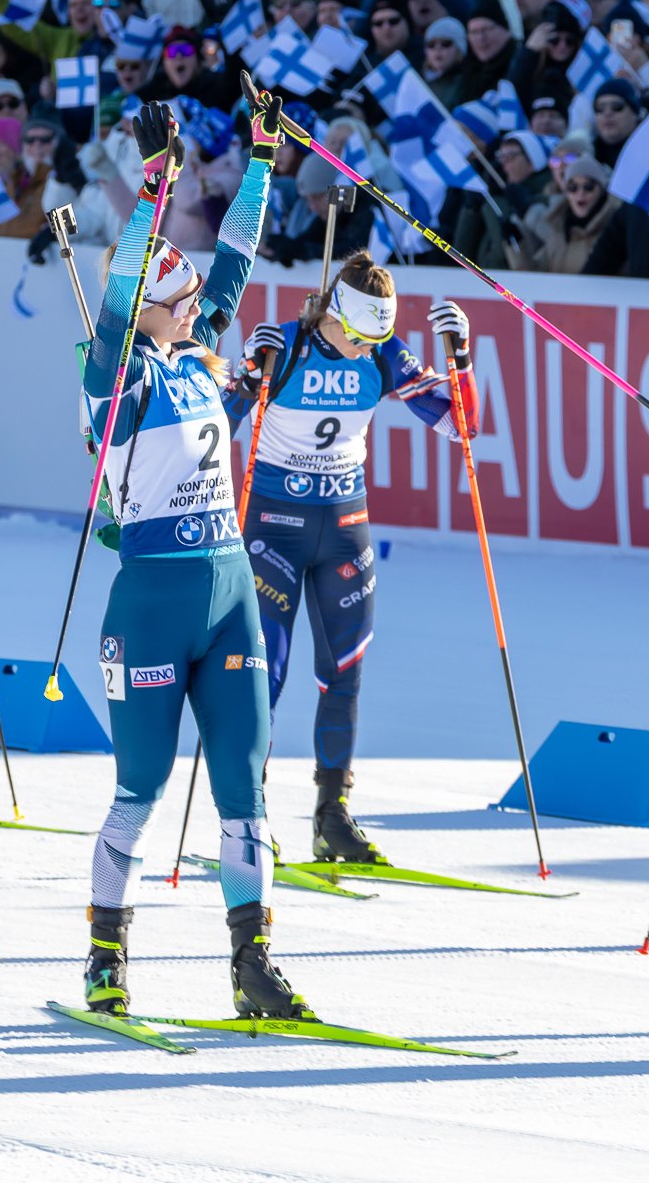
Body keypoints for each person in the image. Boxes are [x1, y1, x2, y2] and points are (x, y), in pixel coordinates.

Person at [81, 99, 310, 1023]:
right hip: (151, 600)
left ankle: (253, 962)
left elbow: (236, 260)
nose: (197, 309)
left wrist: (260, 161)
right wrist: (152, 188)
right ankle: (105, 957)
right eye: (179, 303)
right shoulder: (117, 371)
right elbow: (121, 292)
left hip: (227, 589)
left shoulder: (196, 353)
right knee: (140, 787)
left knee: (244, 791)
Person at [223, 255, 478, 865]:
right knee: (263, 674)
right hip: (273, 530)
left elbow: (461, 425)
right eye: (359, 335)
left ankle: (332, 815)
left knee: (345, 671)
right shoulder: (284, 347)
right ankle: (247, 816)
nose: (366, 348)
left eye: (376, 338)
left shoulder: (383, 354)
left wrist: (461, 359)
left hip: (343, 528)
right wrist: (246, 379)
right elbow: (215, 425)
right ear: (333, 313)